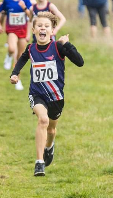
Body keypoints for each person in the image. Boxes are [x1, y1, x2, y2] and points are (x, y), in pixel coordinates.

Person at [10, 12, 84, 176]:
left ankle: (49, 146)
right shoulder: (31, 49)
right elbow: (22, 60)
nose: (42, 28)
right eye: (39, 26)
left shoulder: (58, 47)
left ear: (52, 31)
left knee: (51, 130)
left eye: (46, 26)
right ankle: (39, 162)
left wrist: (68, 45)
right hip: (37, 94)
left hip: (56, 97)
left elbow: (80, 62)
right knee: (42, 120)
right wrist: (14, 74)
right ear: (34, 30)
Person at [0, 0, 32, 90]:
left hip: (22, 31)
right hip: (11, 30)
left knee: (19, 58)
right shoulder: (7, 1)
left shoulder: (25, 0)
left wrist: (24, 8)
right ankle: (8, 55)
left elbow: (31, 17)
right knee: (12, 48)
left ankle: (17, 79)